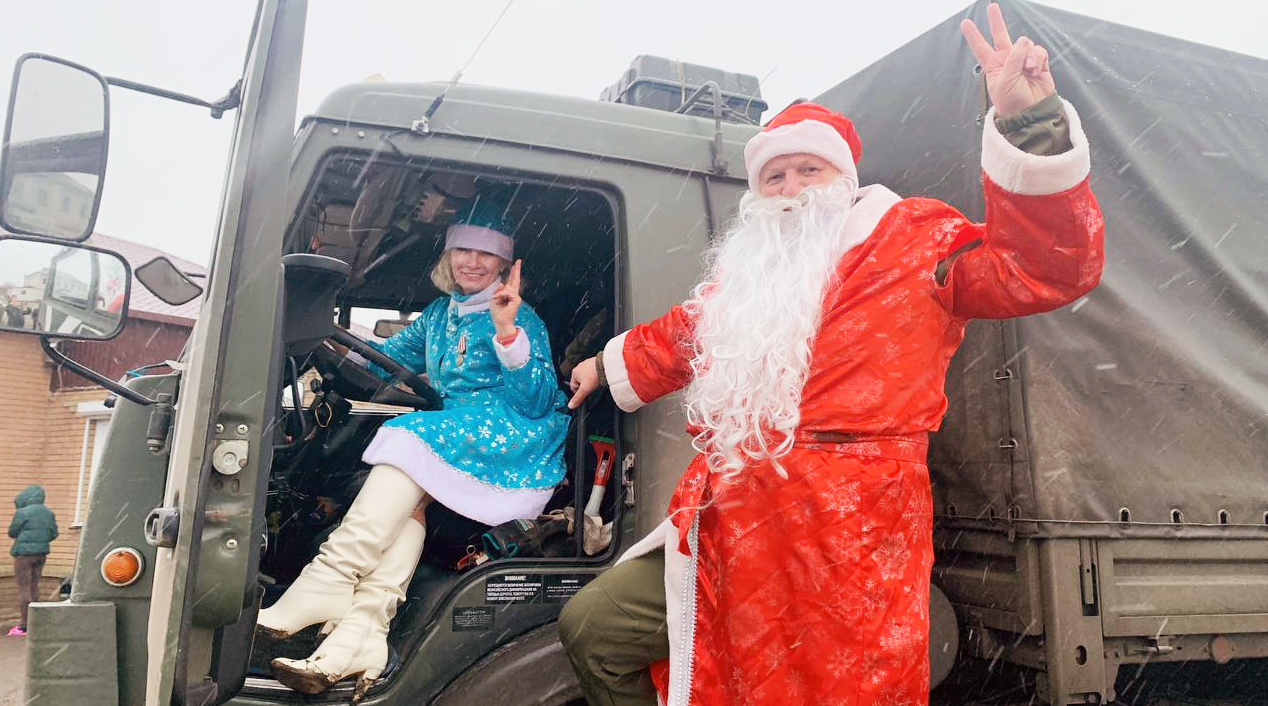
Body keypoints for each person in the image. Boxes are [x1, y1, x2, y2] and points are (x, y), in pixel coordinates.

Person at [557, 5, 1104, 706]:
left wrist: (1032, 127)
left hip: (846, 535)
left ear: (843, 175)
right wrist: (603, 365)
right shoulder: (750, 278)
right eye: (773, 178)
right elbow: (685, 334)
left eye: (807, 170)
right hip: (732, 520)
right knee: (594, 628)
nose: (789, 192)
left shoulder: (913, 241)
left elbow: (1046, 266)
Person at [258, 192, 570, 699]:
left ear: (504, 263)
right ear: (448, 256)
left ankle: (330, 576)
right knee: (409, 510)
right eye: (463, 251)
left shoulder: (519, 315)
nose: (472, 262)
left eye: (485, 253)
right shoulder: (439, 314)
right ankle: (361, 638)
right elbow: (383, 359)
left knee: (407, 434)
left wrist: (507, 330)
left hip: (515, 434)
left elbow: (536, 401)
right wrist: (324, 343)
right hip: (462, 430)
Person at [8, 485, 58, 637]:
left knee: (24, 588)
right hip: (41, 553)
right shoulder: (49, 513)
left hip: (23, 554)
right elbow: (53, 534)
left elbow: (12, 532)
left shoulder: (22, 512)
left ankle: (24, 626)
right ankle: (34, 622)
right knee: (34, 586)